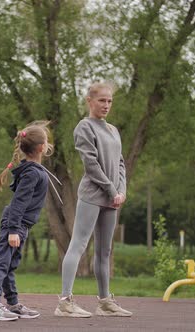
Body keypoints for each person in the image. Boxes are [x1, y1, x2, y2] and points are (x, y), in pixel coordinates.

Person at [54, 82, 132, 318]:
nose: (106, 105)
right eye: (101, 100)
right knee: (78, 245)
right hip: (92, 195)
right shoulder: (84, 127)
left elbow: (120, 163)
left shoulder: (113, 130)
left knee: (104, 251)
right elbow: (91, 164)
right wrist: (111, 189)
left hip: (113, 198)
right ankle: (65, 303)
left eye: (109, 101)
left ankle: (105, 302)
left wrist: (122, 190)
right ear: (90, 101)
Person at [0, 121, 61, 321]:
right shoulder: (32, 173)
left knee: (10, 265)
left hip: (21, 225)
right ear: (42, 147)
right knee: (2, 262)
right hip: (15, 224)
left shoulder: (32, 170)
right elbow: (18, 203)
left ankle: (13, 303)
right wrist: (13, 230)